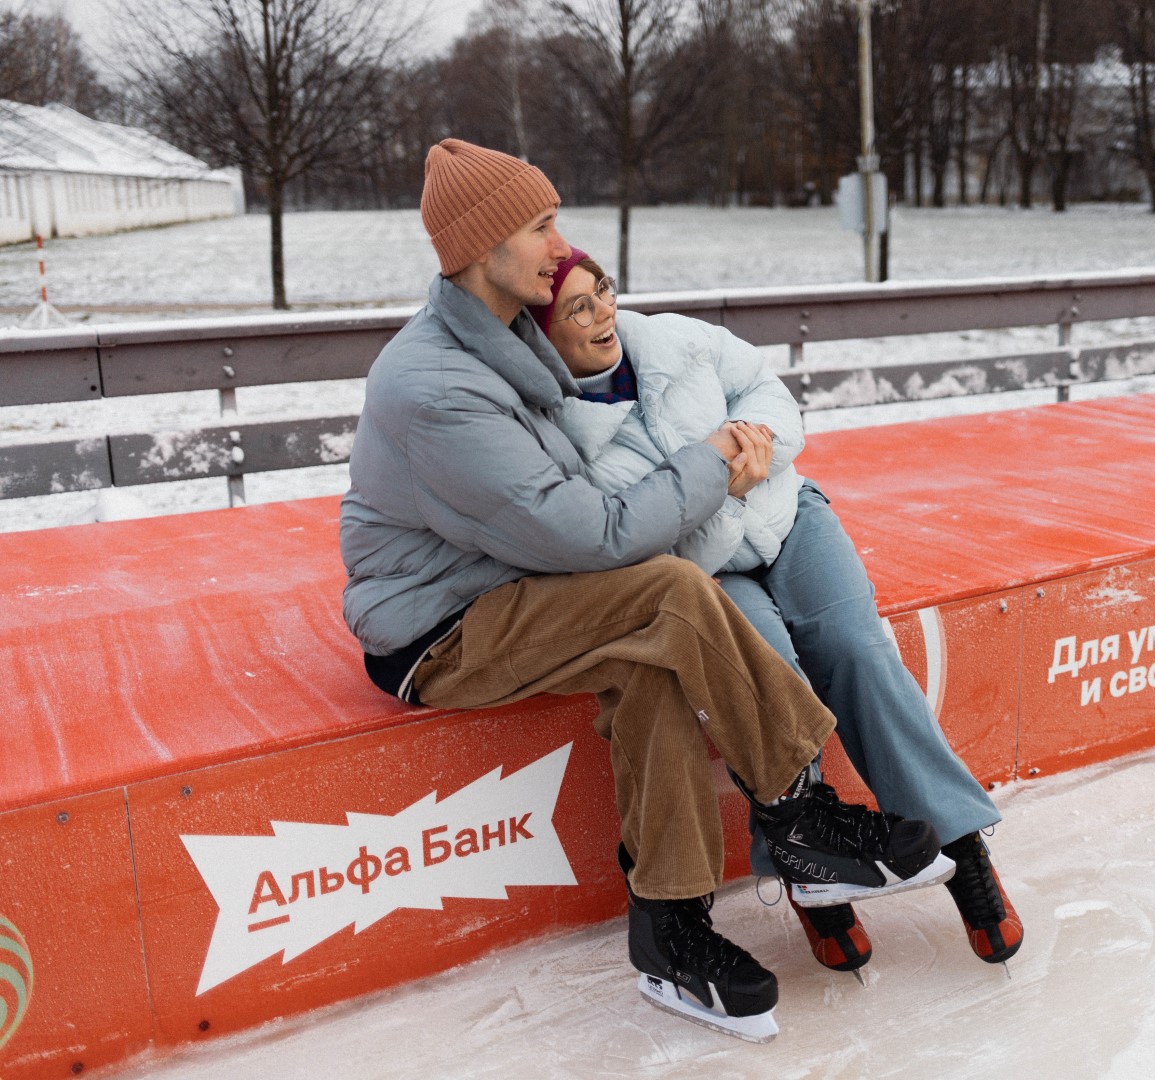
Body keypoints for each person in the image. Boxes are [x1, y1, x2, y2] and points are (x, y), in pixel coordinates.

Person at [338, 139, 954, 1042]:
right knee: (665, 595)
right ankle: (798, 811)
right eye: (540, 224)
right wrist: (712, 460)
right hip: (442, 627)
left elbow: (580, 512)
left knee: (654, 662)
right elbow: (593, 535)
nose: (560, 243)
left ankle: (670, 933)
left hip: (518, 586)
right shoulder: (435, 386)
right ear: (479, 247)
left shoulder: (503, 332)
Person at [532, 246, 1025, 973]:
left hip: (788, 519)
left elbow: (764, 388)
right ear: (541, 334)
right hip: (702, 572)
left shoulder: (674, 339)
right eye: (578, 307)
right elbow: (617, 530)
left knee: (856, 649)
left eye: (602, 289)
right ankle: (813, 877)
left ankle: (962, 843)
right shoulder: (555, 432)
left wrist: (752, 442)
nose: (604, 310)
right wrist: (710, 479)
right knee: (770, 682)